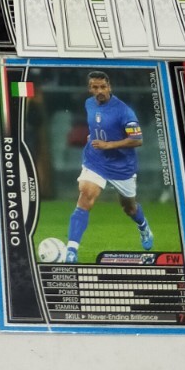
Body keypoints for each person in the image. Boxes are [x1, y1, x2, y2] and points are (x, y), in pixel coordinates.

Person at [66, 71, 153, 263]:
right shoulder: (89, 103)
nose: (99, 91)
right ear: (90, 88)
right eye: (95, 87)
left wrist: (109, 145)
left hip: (122, 166)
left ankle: (143, 226)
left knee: (129, 208)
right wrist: (93, 136)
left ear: (109, 87)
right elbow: (97, 125)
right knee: (85, 196)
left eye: (103, 87)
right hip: (95, 160)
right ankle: (71, 250)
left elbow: (137, 139)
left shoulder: (124, 111)